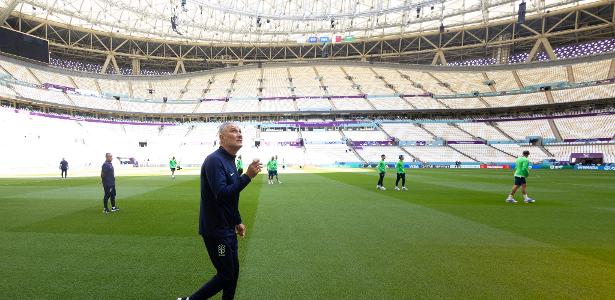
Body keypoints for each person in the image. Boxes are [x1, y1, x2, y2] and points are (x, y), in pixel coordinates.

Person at [180, 122, 261, 300]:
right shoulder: (214, 160)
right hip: (216, 232)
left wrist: (237, 221)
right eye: (233, 131)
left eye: (240, 131)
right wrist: (247, 176)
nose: (239, 134)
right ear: (222, 138)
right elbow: (221, 195)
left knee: (233, 273)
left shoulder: (230, 160)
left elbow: (230, 200)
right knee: (225, 274)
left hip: (228, 228)